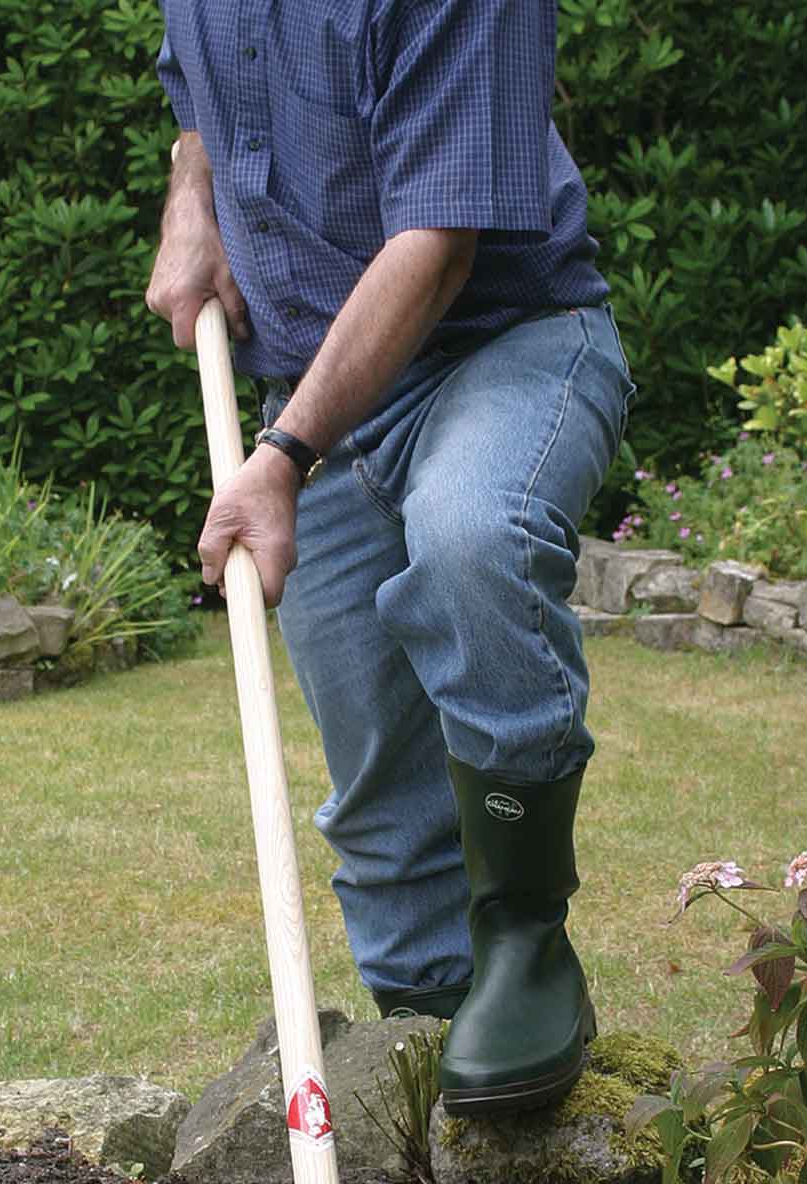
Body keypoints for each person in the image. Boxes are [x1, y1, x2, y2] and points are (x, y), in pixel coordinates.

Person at [146, 1, 633, 1117]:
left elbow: (438, 242)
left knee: (472, 540)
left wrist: (282, 457)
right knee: (377, 796)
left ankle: (526, 942)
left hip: (502, 349)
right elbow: (198, 94)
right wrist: (191, 199)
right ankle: (437, 1051)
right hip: (320, 393)